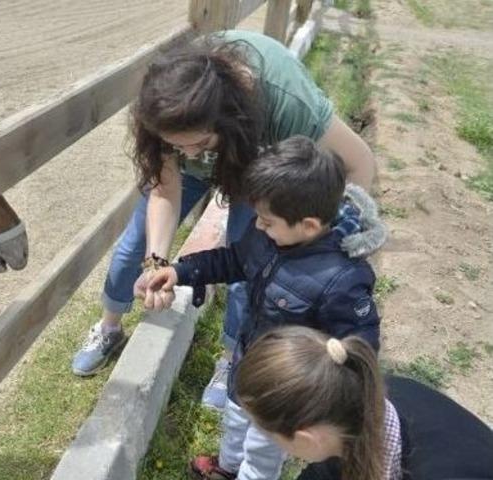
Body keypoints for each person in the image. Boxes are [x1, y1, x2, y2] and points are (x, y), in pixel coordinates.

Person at [70, 29, 378, 414]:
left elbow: (360, 161)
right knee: (134, 245)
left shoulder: (283, 97)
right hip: (222, 145)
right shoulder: (163, 106)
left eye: (196, 143)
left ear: (225, 117)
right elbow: (165, 190)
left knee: (251, 267)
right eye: (174, 144)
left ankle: (232, 358)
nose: (186, 154)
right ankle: (110, 328)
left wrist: (336, 234)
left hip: (252, 161)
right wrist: (158, 263)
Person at [143, 135, 383, 480]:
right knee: (236, 421)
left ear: (310, 225)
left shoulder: (343, 281)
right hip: (249, 363)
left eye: (267, 222)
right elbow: (234, 260)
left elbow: (360, 351)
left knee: (261, 452)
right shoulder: (269, 237)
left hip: (285, 392)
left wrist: (312, 398)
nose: (257, 226)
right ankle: (227, 467)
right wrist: (180, 271)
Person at [223, 326, 493, 480]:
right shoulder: (354, 397)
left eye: (265, 432)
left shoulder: (443, 472)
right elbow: (327, 472)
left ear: (306, 439)